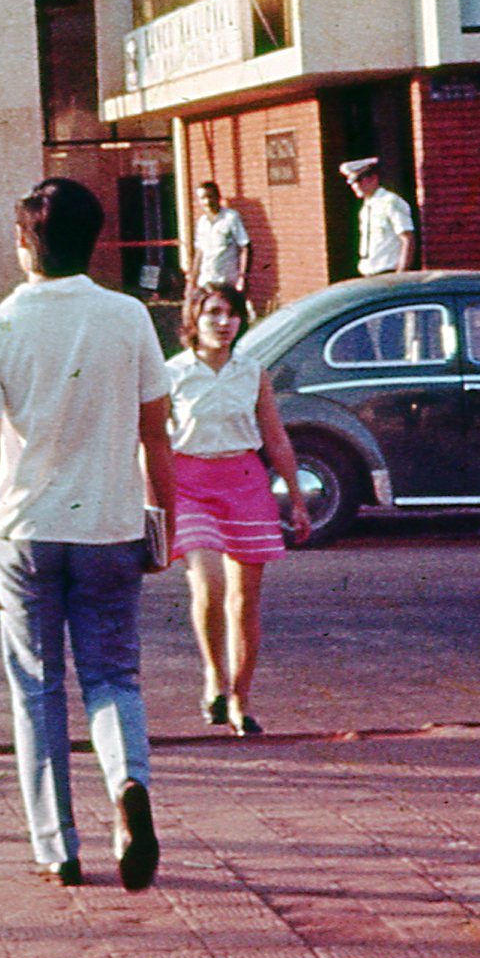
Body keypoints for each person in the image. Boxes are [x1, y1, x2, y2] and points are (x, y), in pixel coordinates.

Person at [0, 176, 177, 891]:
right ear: (94, 240)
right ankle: (129, 784)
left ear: (26, 241)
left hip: (25, 531)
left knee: (38, 688)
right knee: (113, 675)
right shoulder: (129, 317)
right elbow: (156, 433)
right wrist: (162, 522)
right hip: (111, 525)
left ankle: (59, 846)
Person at [169, 284, 311, 736]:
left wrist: (297, 496)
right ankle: (214, 674)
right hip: (188, 484)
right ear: (194, 319)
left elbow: (276, 438)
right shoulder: (171, 374)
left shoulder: (253, 372)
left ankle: (240, 700)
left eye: (231, 314)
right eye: (212, 313)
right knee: (208, 581)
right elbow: (148, 440)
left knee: (245, 598)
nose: (223, 322)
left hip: (245, 485)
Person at [340, 158, 415, 275]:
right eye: (352, 182)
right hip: (370, 274)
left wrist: (400, 274)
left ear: (373, 178)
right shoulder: (366, 207)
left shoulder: (390, 201)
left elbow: (407, 238)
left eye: (359, 180)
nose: (356, 186)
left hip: (388, 273)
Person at [190, 180, 250, 296]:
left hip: (226, 282)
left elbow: (245, 247)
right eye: (202, 198)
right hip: (206, 282)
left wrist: (243, 277)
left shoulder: (231, 217)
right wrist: (192, 281)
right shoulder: (202, 222)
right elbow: (199, 252)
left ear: (218, 197)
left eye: (210, 197)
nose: (207, 202)